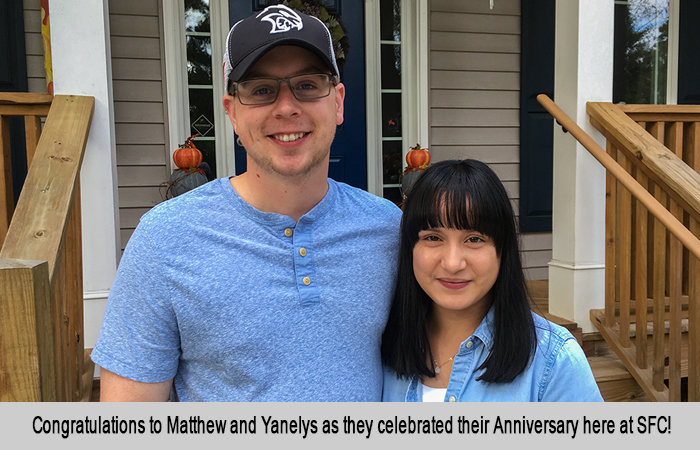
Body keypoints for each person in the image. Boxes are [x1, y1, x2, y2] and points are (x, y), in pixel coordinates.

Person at [91, 4, 402, 401]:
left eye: (307, 85)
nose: (287, 107)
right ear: (232, 113)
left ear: (338, 102)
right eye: (261, 90)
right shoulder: (166, 239)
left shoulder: (386, 227)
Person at [381, 159, 603, 402]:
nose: (453, 263)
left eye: (474, 239)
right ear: (410, 248)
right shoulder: (382, 347)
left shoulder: (555, 361)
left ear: (502, 250)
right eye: (433, 237)